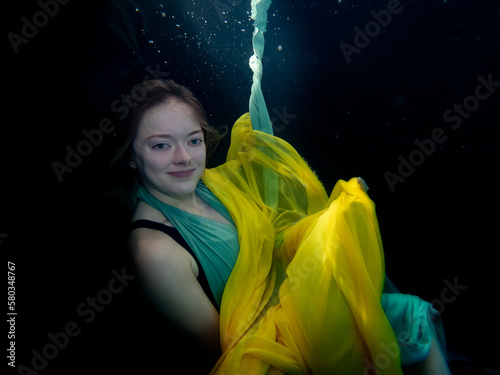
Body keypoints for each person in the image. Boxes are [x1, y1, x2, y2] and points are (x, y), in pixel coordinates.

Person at [110, 79, 451, 374]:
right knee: (408, 320)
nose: (184, 157)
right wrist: (317, 301)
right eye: (160, 145)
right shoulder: (153, 248)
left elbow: (275, 241)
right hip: (273, 356)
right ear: (130, 154)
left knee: (418, 319)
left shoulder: (214, 185)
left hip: (300, 315)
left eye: (194, 140)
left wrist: (337, 219)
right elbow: (227, 349)